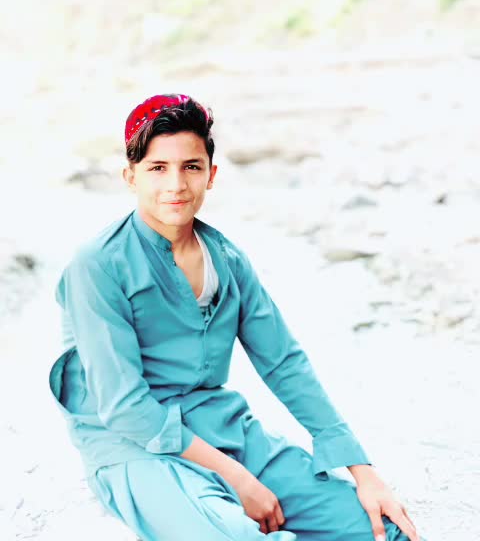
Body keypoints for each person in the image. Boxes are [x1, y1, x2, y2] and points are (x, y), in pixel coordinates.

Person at [49, 94, 424, 541]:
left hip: (221, 430)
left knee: (385, 531)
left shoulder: (227, 259)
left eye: (191, 166)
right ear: (131, 177)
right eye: (158, 168)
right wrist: (238, 480)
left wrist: (363, 471)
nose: (176, 184)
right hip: (135, 451)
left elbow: (283, 362)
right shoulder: (98, 266)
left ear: (211, 175)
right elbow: (126, 409)